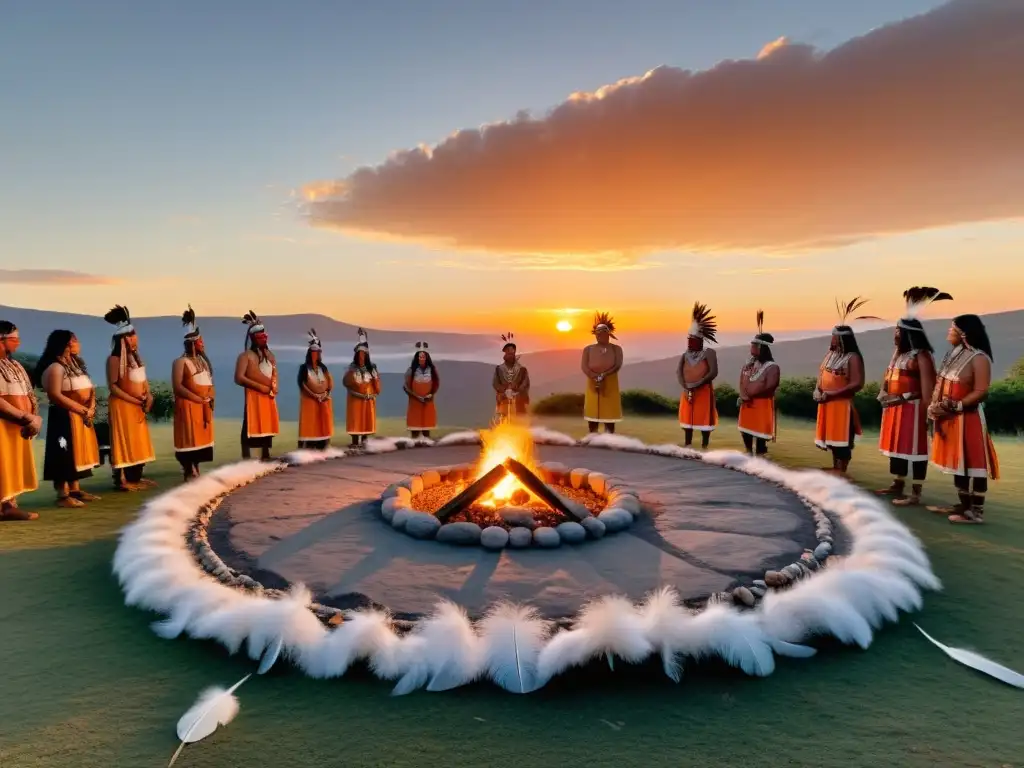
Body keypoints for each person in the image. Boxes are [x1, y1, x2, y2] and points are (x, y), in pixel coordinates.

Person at [876, 288, 949, 506]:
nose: (894, 335)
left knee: (915, 449)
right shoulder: (898, 354)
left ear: (908, 334)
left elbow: (929, 388)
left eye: (898, 331)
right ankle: (897, 484)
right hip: (894, 408)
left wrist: (928, 415)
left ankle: (915, 493)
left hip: (914, 409)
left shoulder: (922, 356)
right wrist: (884, 394)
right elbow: (888, 378)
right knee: (896, 448)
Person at [927, 314, 1000, 524]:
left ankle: (976, 512)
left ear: (963, 333)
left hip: (969, 418)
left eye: (952, 329)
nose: (948, 332)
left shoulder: (979, 358)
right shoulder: (953, 355)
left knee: (974, 463)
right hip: (949, 418)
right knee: (958, 464)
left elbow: (981, 391)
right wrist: (935, 408)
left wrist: (955, 405)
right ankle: (963, 505)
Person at [35, 330, 101, 507]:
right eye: (75, 340)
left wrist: (91, 407)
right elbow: (55, 395)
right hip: (63, 417)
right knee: (63, 451)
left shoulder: (76, 364)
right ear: (65, 344)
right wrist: (81, 408)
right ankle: (62, 494)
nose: (78, 343)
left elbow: (90, 388)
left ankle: (75, 489)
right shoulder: (55, 367)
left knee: (77, 453)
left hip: (80, 415)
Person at [814, 297, 874, 475]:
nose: (831, 340)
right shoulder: (830, 355)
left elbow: (857, 383)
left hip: (842, 405)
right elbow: (821, 375)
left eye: (834, 338)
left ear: (841, 340)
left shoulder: (853, 357)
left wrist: (832, 394)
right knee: (832, 439)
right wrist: (818, 389)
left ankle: (842, 469)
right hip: (826, 403)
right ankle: (835, 467)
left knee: (842, 439)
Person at [104, 305, 156, 491]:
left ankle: (136, 477)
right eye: (132, 335)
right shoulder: (114, 359)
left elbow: (143, 380)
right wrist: (134, 400)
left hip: (137, 407)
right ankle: (122, 480)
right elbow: (113, 386)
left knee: (138, 442)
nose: (135, 339)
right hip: (122, 407)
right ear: (124, 339)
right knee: (123, 441)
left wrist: (148, 395)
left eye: (135, 335)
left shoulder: (136, 358)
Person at [0, 321, 41, 520]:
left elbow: (29, 393)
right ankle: (5, 507)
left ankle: (10, 505)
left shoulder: (15, 365)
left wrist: (35, 417)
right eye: (14, 339)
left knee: (14, 464)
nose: (18, 343)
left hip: (19, 426)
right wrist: (25, 417)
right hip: (3, 425)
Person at [172, 305, 215, 481]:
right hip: (188, 406)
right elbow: (178, 386)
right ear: (192, 344)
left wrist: (210, 397)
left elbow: (209, 382)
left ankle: (196, 466)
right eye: (200, 342)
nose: (202, 344)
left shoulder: (203, 362)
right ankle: (188, 469)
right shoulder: (180, 362)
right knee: (189, 438)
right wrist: (197, 398)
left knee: (200, 440)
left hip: (203, 405)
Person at [235, 310, 279, 461]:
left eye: (265, 336)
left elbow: (274, 373)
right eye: (261, 337)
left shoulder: (270, 356)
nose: (264, 339)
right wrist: (258, 386)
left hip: (268, 396)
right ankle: (246, 457)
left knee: (267, 423)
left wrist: (273, 387)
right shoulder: (245, 356)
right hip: (253, 397)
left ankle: (265, 454)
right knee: (249, 424)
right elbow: (239, 378)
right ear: (254, 338)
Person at [737, 310, 780, 456]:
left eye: (754, 346)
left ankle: (761, 453)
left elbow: (770, 386)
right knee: (745, 429)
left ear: (761, 348)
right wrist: (743, 394)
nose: (751, 348)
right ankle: (748, 451)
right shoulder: (748, 365)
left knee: (760, 432)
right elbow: (742, 380)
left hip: (762, 404)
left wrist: (752, 395)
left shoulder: (772, 367)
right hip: (747, 403)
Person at [677, 303, 719, 449]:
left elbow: (713, 372)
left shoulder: (709, 353)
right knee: (687, 417)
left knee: (704, 418)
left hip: (703, 391)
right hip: (687, 391)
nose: (689, 343)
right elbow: (679, 372)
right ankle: (687, 443)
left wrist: (698, 383)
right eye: (688, 339)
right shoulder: (685, 355)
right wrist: (685, 386)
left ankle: (704, 445)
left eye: (692, 340)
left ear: (700, 340)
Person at [581, 312, 623, 434]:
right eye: (598, 334)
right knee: (592, 410)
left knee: (609, 411)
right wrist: (594, 376)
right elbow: (584, 366)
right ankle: (592, 435)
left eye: (603, 333)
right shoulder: (588, 349)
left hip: (610, 382)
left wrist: (604, 375)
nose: (600, 336)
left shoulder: (616, 349)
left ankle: (609, 436)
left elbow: (617, 364)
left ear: (608, 334)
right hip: (592, 382)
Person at [297, 329, 333, 450]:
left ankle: (323, 445)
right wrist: (313, 395)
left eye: (317, 352)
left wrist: (326, 393)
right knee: (310, 424)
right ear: (309, 353)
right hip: (310, 401)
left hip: (323, 400)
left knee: (323, 423)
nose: (315, 355)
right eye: (313, 352)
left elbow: (329, 382)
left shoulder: (323, 368)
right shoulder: (304, 368)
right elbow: (302, 384)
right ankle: (307, 448)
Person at [344, 328, 380, 446]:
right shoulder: (352, 368)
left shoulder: (372, 369)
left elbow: (377, 387)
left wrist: (374, 387)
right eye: (359, 355)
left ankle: (365, 442)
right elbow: (346, 382)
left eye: (363, 355)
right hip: (356, 401)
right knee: (356, 420)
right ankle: (355, 443)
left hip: (368, 400)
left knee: (366, 420)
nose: (361, 357)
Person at [493, 332, 530, 423]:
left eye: (511, 352)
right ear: (505, 355)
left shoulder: (522, 369)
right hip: (503, 398)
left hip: (518, 399)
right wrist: (504, 391)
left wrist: (516, 391)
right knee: (503, 418)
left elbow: (525, 383)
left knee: (519, 419)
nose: (510, 354)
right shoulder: (499, 369)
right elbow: (495, 383)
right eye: (507, 352)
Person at [404, 341, 439, 438]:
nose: (422, 359)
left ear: (427, 358)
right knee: (415, 426)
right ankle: (414, 443)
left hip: (428, 401)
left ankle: (426, 444)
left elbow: (436, 383)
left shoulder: (432, 370)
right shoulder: (411, 370)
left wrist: (431, 394)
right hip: (415, 402)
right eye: (420, 357)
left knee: (426, 425)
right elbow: (406, 386)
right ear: (417, 358)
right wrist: (416, 397)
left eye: (423, 357)